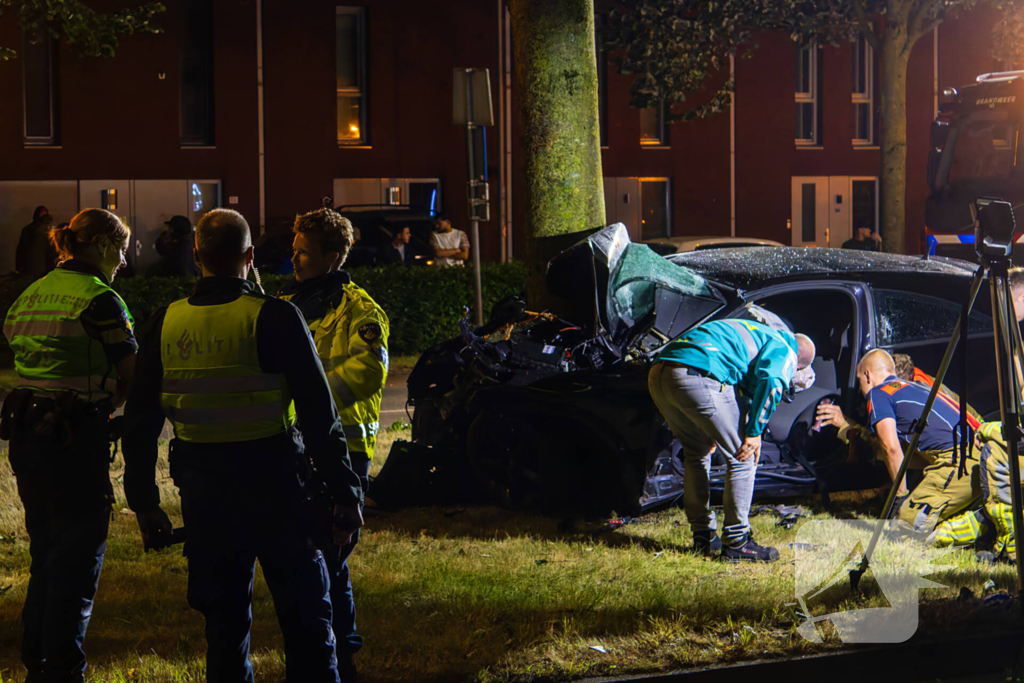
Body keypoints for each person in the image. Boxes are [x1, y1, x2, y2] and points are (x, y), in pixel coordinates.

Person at [121, 208, 364, 683]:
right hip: (280, 492)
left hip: (207, 498)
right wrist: (345, 494)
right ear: (250, 257)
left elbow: (140, 422)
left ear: (196, 257)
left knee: (225, 629)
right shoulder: (276, 317)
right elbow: (320, 417)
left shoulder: (164, 324)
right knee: (309, 627)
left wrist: (145, 504)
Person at [1, 208, 135, 683]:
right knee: (77, 559)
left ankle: (36, 659)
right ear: (98, 243)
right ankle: (62, 670)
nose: (122, 261)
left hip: (28, 435)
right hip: (74, 438)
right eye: (119, 250)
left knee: (47, 551)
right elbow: (131, 376)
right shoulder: (100, 300)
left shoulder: (31, 294)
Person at [277, 207, 389, 680]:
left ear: (334, 255)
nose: (295, 259)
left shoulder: (360, 311)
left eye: (304, 251)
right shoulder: (288, 304)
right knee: (315, 557)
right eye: (295, 249)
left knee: (331, 555)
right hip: (298, 447)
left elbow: (367, 372)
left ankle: (341, 653)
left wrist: (308, 400)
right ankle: (335, 653)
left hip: (343, 450)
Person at [648, 319, 817, 561]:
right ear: (799, 364)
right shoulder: (786, 348)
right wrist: (755, 432)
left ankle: (703, 535)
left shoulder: (758, 330)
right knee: (743, 456)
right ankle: (737, 541)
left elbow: (743, 385)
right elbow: (772, 381)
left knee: (697, 453)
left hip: (661, 373)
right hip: (702, 372)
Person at [816, 349, 982, 532]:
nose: (860, 387)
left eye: (859, 381)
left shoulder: (878, 393)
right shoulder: (917, 386)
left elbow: (891, 448)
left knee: (904, 524)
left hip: (959, 464)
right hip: (982, 458)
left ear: (868, 375)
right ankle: (977, 506)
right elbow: (904, 453)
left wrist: (900, 497)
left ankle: (977, 521)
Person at [15, 205, 58, 279]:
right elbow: (53, 250)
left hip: (29, 270)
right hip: (45, 270)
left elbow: (20, 250)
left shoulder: (28, 229)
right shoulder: (49, 230)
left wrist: (18, 268)